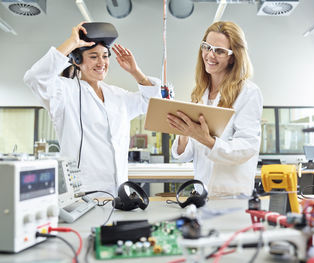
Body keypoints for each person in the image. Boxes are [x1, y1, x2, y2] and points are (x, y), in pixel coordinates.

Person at [24, 22, 161, 195]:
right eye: (94, 56)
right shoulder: (65, 92)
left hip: (119, 193)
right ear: (77, 61)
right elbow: (35, 78)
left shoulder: (118, 96)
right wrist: (72, 43)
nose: (101, 62)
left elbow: (152, 103)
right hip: (84, 194)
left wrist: (135, 71)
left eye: (105, 56)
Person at [167, 21, 263, 197]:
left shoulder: (248, 93)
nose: (210, 55)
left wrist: (207, 140)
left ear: (233, 57)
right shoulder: (199, 93)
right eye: (207, 47)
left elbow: (247, 147)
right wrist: (183, 134)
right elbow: (189, 154)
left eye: (219, 51)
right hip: (201, 191)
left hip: (231, 195)